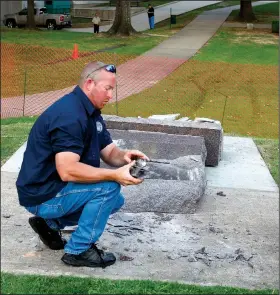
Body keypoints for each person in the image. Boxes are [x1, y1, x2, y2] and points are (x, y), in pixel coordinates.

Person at [16, 61, 149, 268]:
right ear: (89, 84)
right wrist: (114, 175)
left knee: (115, 201)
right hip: (42, 194)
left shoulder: (90, 111)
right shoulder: (69, 115)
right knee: (109, 188)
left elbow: (110, 152)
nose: (110, 96)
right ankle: (78, 250)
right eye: (107, 88)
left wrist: (125, 156)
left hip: (53, 188)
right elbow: (68, 170)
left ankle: (49, 225)